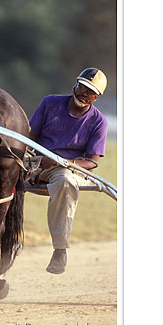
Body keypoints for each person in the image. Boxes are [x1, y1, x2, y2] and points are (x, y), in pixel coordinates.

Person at [29, 68, 109, 274]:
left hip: (68, 170)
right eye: (82, 86)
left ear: (97, 97)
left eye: (91, 91)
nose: (84, 93)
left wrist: (59, 162)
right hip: (35, 163)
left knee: (65, 179)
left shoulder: (99, 122)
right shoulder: (50, 103)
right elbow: (29, 137)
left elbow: (91, 162)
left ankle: (60, 250)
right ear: (75, 83)